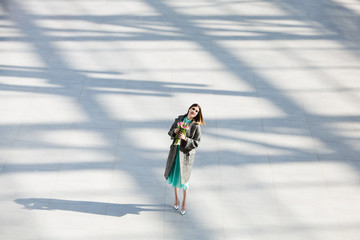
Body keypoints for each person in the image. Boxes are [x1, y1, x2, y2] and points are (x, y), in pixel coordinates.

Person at [164, 103, 205, 215]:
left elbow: (197, 142)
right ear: (189, 108)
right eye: (193, 109)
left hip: (185, 155)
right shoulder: (179, 119)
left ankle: (184, 203)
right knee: (175, 175)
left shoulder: (196, 126)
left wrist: (185, 138)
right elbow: (170, 131)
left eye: (196, 111)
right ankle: (176, 199)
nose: (194, 111)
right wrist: (175, 132)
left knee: (184, 180)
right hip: (175, 151)